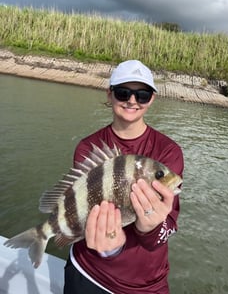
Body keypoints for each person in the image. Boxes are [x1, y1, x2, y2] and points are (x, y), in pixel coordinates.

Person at [64, 60, 184, 294]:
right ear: (109, 95)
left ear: (152, 99)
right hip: (90, 272)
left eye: (142, 94)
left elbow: (166, 228)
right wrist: (108, 249)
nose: (132, 100)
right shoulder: (88, 147)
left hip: (147, 285)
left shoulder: (168, 152)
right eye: (123, 92)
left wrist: (149, 228)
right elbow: (82, 209)